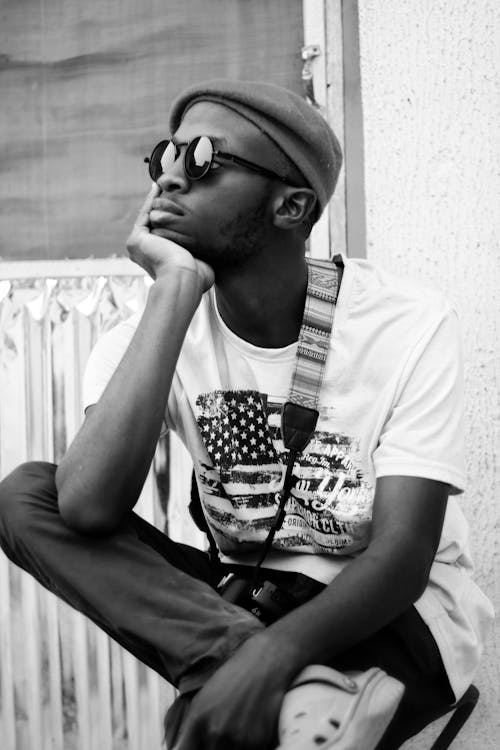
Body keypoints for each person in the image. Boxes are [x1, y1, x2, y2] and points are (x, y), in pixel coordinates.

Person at [0, 80, 493, 750]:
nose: (170, 179)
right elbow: (86, 510)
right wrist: (175, 290)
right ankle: (257, 670)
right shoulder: (148, 334)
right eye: (164, 158)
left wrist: (274, 656)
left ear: (290, 206)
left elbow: (403, 557)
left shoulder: (404, 323)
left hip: (396, 610)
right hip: (243, 600)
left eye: (203, 159)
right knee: (29, 495)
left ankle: (260, 675)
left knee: (221, 730)